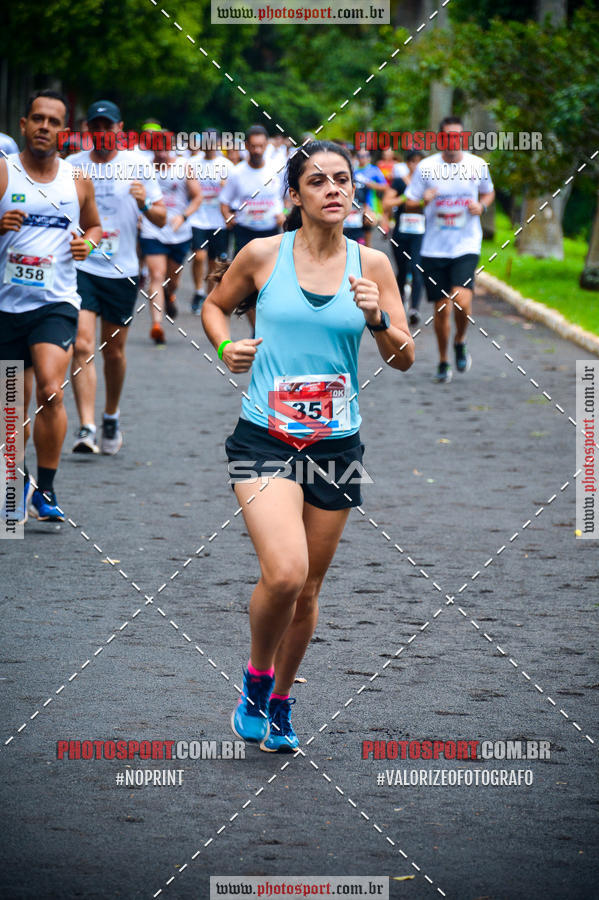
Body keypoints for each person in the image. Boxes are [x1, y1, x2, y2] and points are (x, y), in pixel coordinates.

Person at [202, 140, 414, 752]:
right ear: (294, 196)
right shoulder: (263, 255)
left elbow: (404, 358)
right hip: (264, 437)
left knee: (310, 590)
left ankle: (281, 703)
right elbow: (215, 308)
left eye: (343, 180)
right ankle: (255, 681)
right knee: (287, 572)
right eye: (317, 181)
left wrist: (377, 319)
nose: (333, 190)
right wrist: (225, 349)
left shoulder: (371, 265)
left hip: (336, 445)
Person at [0, 90, 101, 521]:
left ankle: (46, 489)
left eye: (53, 121)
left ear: (64, 130)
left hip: (56, 301)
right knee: (10, 404)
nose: (44, 126)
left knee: (49, 390)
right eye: (37, 119)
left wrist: (88, 244)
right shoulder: (3, 173)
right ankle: (12, 485)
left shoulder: (76, 179)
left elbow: (95, 224)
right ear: (23, 125)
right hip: (6, 306)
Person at [67, 100, 166, 454]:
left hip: (121, 269)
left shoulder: (138, 165)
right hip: (81, 266)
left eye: (107, 126)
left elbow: (161, 219)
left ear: (119, 129)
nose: (101, 132)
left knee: (114, 352)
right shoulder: (72, 166)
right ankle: (86, 427)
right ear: (88, 130)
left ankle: (110, 414)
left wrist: (143, 204)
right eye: (95, 126)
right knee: (81, 345)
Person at [405, 116, 494, 383]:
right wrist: (423, 200)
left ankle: (460, 339)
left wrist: (483, 206)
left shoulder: (477, 165)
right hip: (434, 248)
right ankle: (444, 360)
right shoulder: (426, 167)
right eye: (448, 137)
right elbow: (408, 203)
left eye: (457, 137)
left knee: (462, 300)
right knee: (442, 309)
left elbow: (488, 192)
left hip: (466, 244)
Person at [140, 137, 202, 341]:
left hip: (179, 232)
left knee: (172, 279)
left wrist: (183, 216)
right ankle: (156, 324)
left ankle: (169, 294)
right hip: (152, 229)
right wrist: (140, 216)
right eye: (158, 149)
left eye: (166, 149)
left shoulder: (184, 167)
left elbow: (197, 196)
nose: (162, 154)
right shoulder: (144, 168)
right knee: (156, 276)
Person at [220, 125, 285, 256]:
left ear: (267, 145)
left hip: (270, 231)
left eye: (261, 146)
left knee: (269, 272)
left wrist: (284, 213)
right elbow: (224, 200)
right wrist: (228, 217)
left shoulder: (277, 169)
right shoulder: (236, 172)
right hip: (244, 231)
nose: (257, 150)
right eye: (254, 146)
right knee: (243, 273)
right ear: (246, 146)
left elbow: (287, 197)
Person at [188, 133, 233, 313]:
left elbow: (232, 192)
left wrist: (225, 186)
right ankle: (198, 290)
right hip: (198, 218)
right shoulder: (193, 163)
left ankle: (208, 296)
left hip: (218, 220)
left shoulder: (226, 165)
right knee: (199, 256)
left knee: (215, 261)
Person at [383, 150, 425, 326]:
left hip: (421, 233)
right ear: (408, 164)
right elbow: (387, 203)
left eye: (419, 162)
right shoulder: (400, 182)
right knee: (401, 270)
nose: (416, 166)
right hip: (401, 232)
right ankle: (399, 304)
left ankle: (414, 308)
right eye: (413, 162)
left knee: (417, 268)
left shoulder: (428, 184)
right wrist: (405, 199)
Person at [354, 149, 387, 247]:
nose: (362, 158)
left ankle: (367, 253)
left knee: (367, 225)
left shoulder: (374, 170)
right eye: (360, 156)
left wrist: (371, 184)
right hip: (354, 205)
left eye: (365, 156)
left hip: (369, 204)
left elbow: (384, 186)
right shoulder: (353, 170)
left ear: (369, 158)